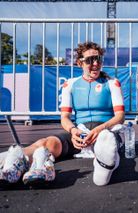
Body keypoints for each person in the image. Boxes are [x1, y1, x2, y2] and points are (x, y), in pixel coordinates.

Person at [0, 42, 125, 186]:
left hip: (104, 131)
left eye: (99, 59)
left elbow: (120, 116)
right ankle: (13, 160)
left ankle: (104, 168)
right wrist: (73, 130)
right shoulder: (70, 85)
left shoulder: (112, 83)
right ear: (80, 63)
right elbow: (65, 118)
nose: (96, 63)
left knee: (106, 142)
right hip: (81, 132)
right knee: (45, 144)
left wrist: (100, 129)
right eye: (90, 60)